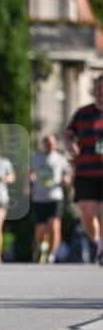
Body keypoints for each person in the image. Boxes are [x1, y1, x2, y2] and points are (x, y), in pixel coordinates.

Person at [65, 74, 103, 264]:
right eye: (98, 89)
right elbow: (69, 133)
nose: (101, 92)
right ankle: (97, 243)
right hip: (85, 172)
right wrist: (70, 144)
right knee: (87, 216)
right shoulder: (83, 113)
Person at [29, 133, 71, 263]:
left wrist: (66, 180)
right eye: (47, 142)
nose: (50, 145)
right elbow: (30, 173)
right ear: (44, 144)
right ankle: (40, 247)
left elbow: (68, 176)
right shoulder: (36, 158)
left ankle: (52, 254)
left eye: (52, 142)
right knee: (40, 230)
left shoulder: (60, 159)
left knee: (54, 227)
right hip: (39, 198)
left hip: (55, 197)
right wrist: (30, 179)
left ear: (55, 144)